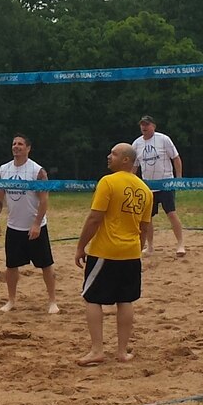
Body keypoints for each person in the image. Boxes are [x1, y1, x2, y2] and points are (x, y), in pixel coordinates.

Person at [73, 142, 152, 366]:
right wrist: (138, 248)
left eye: (114, 154)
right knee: (125, 300)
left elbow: (95, 218)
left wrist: (81, 246)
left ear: (126, 160)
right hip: (131, 253)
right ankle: (122, 352)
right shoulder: (145, 190)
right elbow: (144, 227)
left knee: (91, 298)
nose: (109, 156)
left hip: (105, 252)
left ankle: (97, 350)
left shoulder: (108, 182)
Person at [0, 134, 59, 314]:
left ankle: (52, 301)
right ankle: (11, 300)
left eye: (20, 144)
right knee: (11, 266)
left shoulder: (37, 171)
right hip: (14, 226)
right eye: (14, 143)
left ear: (28, 148)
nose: (16, 147)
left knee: (46, 265)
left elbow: (44, 201)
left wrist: (37, 224)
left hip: (35, 227)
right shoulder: (4, 169)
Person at [130, 116, 186, 255]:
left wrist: (178, 179)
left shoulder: (164, 139)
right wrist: (130, 182)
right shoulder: (136, 144)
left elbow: (176, 158)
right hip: (148, 186)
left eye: (147, 125)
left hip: (166, 183)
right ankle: (150, 247)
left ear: (153, 126)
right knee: (147, 218)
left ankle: (180, 244)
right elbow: (134, 167)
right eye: (142, 125)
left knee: (171, 213)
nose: (144, 127)